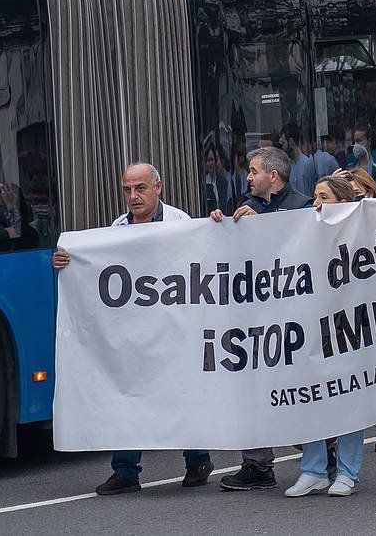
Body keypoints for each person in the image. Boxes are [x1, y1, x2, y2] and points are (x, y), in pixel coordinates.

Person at [54, 163, 212, 496]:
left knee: (180, 393)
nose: (133, 197)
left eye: (140, 188)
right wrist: (69, 263)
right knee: (129, 393)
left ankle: (197, 459)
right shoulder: (117, 228)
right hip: (134, 333)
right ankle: (125, 471)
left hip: (173, 329)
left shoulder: (180, 224)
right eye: (127, 190)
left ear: (159, 188)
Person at [209, 146, 312, 491]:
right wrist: (219, 228)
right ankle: (257, 465)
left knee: (300, 386)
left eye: (253, 171)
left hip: (295, 317)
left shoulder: (303, 207)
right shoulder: (246, 208)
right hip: (255, 317)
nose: (248, 178)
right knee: (250, 388)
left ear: (274, 175)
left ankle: (320, 450)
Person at [287, 176, 367, 497]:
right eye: (315, 196)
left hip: (351, 326)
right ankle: (313, 469)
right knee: (312, 395)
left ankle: (348, 472)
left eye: (325, 196)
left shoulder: (361, 230)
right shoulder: (304, 232)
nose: (317, 203)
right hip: (313, 325)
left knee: (349, 398)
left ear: (343, 201)